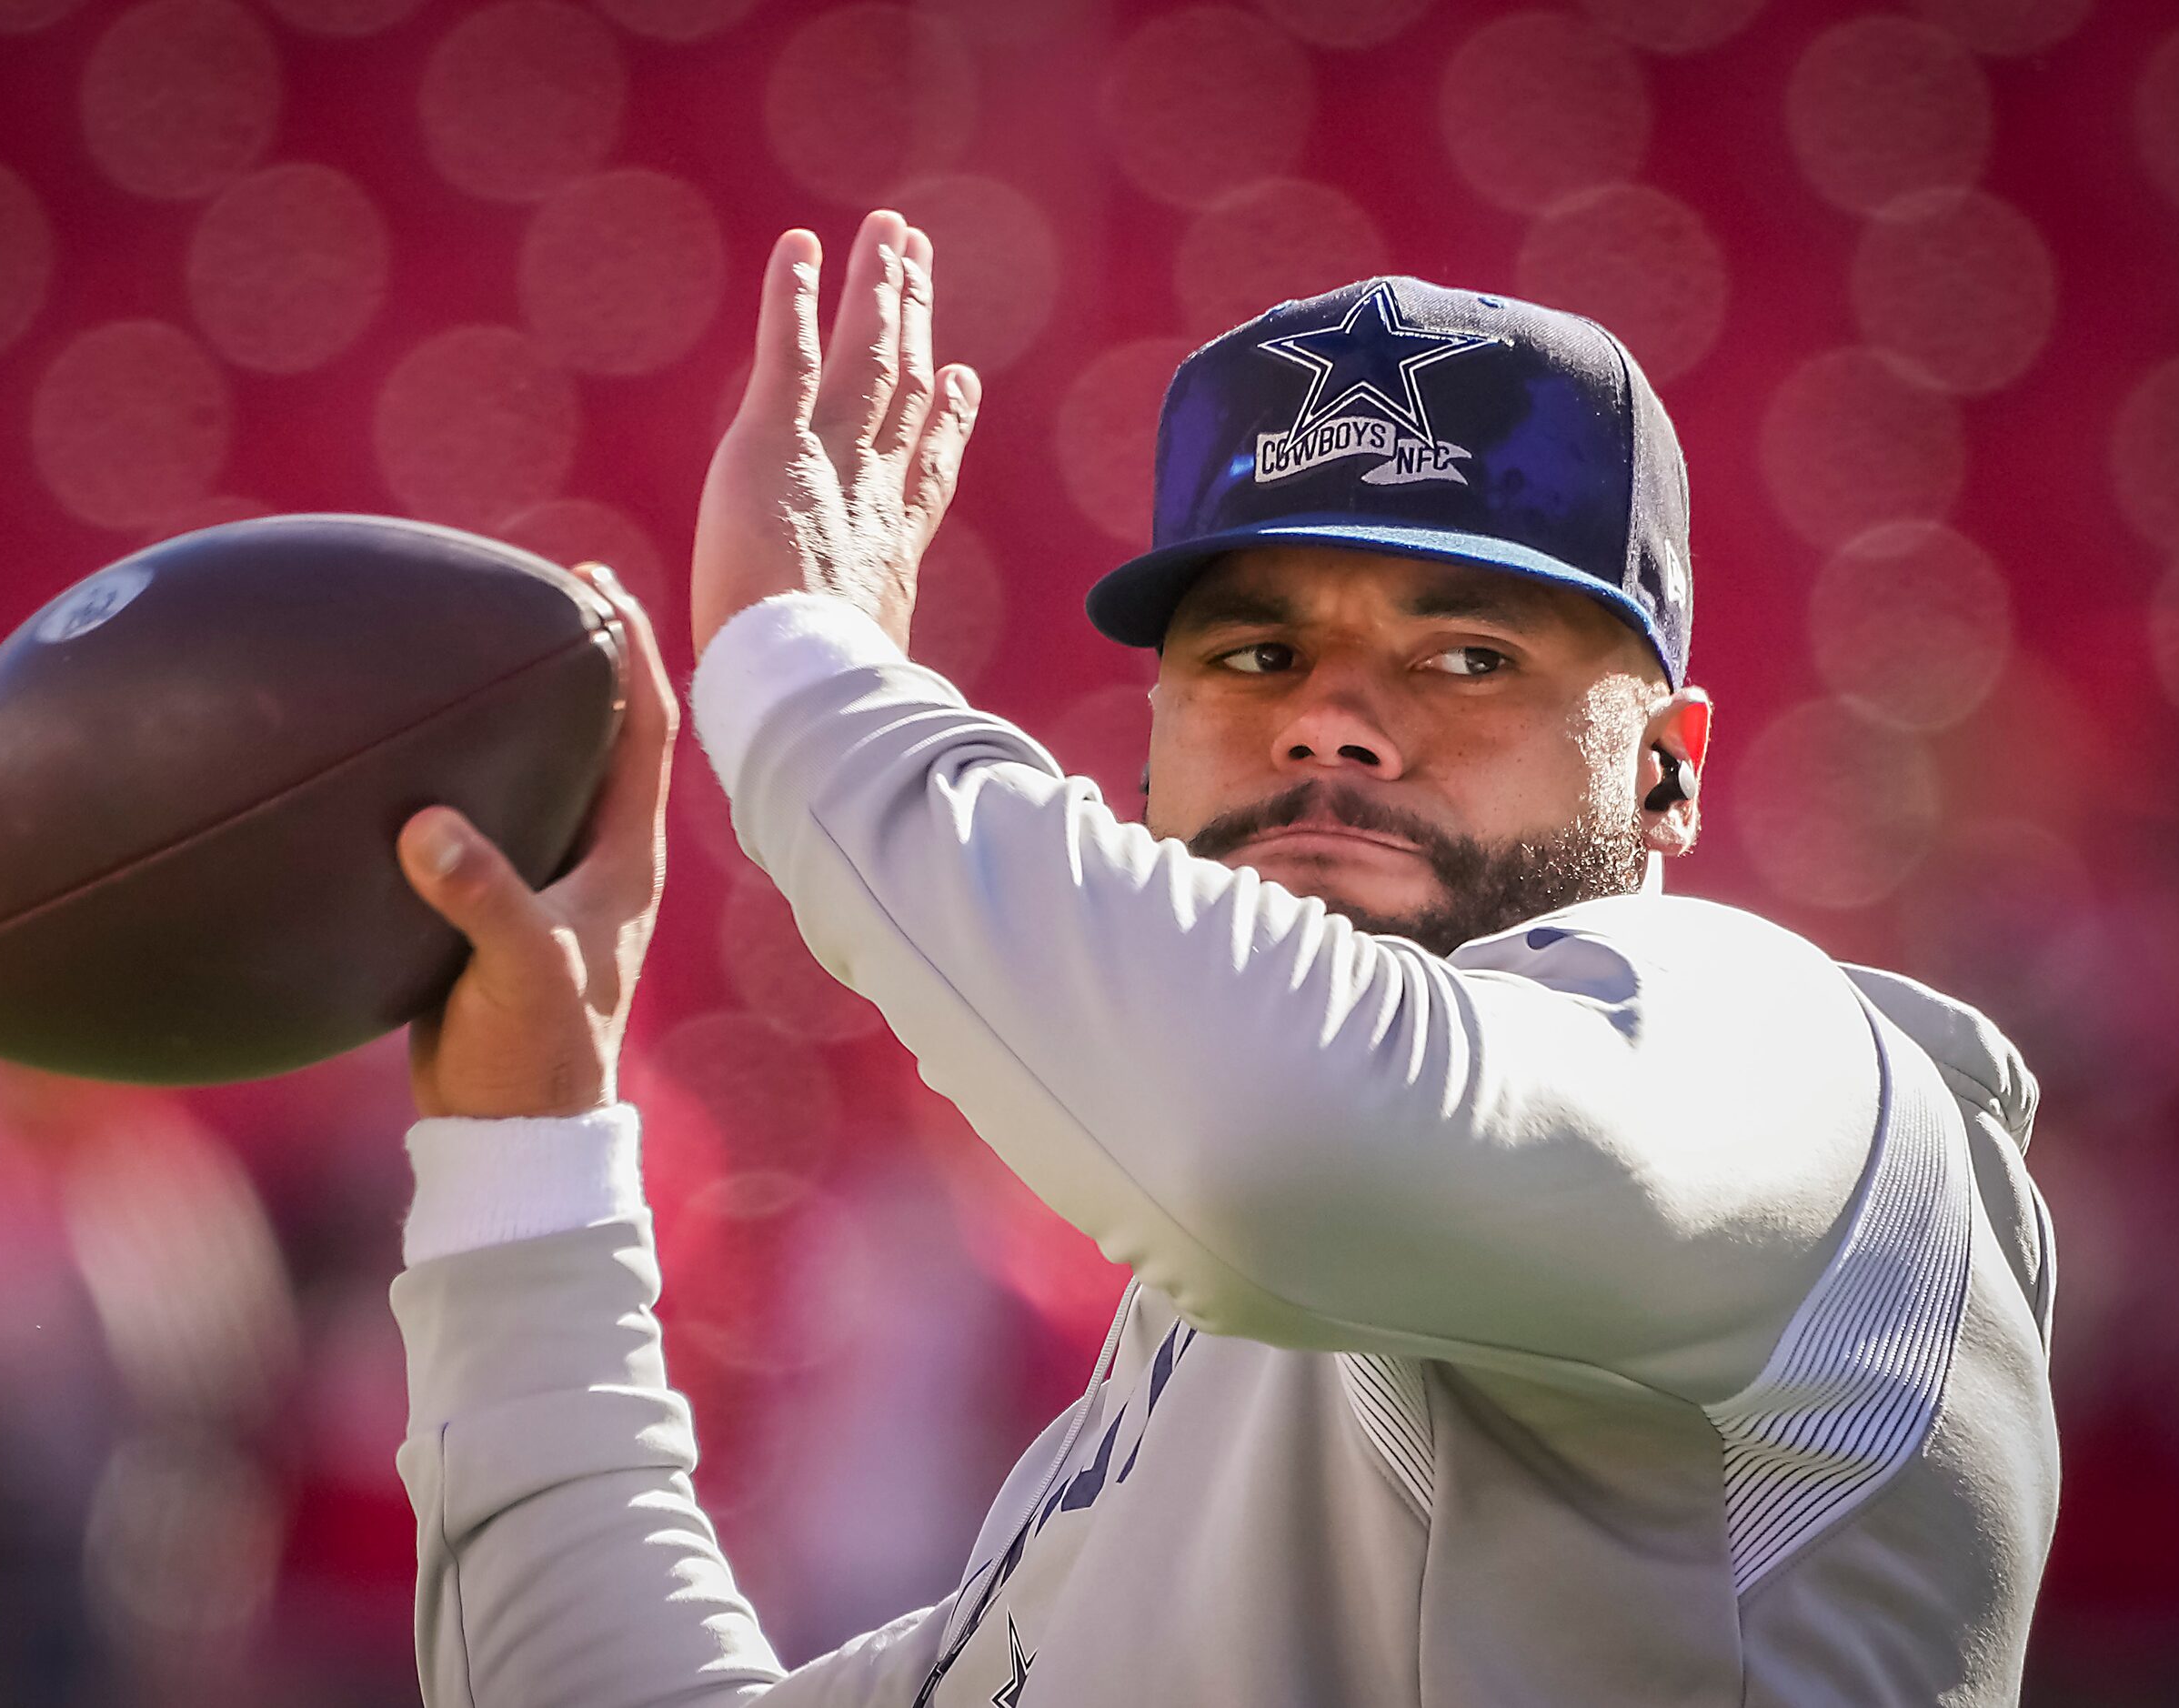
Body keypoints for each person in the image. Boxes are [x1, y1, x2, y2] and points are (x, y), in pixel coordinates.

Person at [386, 209, 2059, 1706]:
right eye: (1254, 652)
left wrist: (799, 673)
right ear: (1147, 748)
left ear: (1664, 763)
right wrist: (519, 1159)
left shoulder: (1790, 1076)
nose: (1331, 715)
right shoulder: (1206, 1370)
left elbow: (1287, 1135)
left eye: (1466, 653)